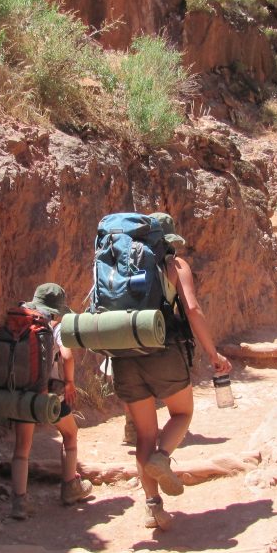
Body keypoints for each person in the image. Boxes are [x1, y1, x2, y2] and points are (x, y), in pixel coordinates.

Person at [111, 212, 232, 531]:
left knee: (144, 433)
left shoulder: (118, 264)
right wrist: (212, 353)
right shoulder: (175, 266)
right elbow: (192, 309)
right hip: (163, 351)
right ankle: (162, 457)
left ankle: (152, 507)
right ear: (168, 240)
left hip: (124, 354)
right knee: (182, 414)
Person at [9, 283, 94, 519]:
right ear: (56, 308)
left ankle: (19, 502)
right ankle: (69, 487)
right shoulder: (54, 326)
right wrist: (69, 383)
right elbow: (66, 356)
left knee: (21, 449)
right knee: (70, 433)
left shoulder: (18, 320)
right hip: (47, 394)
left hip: (20, 391)